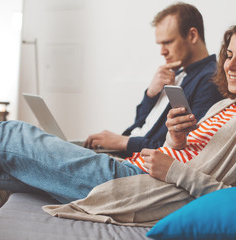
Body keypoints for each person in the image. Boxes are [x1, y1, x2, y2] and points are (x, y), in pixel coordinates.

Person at [0, 21, 236, 224]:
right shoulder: (225, 105)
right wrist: (175, 142)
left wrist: (174, 169)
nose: (230, 65)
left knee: (10, 132)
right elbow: (186, 155)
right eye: (229, 55)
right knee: (3, 173)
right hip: (135, 169)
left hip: (138, 186)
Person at [83, 2, 222, 157]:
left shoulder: (210, 79)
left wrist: (123, 142)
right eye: (160, 44)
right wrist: (151, 94)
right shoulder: (175, 74)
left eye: (168, 42)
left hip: (140, 162)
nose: (162, 51)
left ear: (192, 36)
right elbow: (141, 125)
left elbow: (186, 146)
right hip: (124, 154)